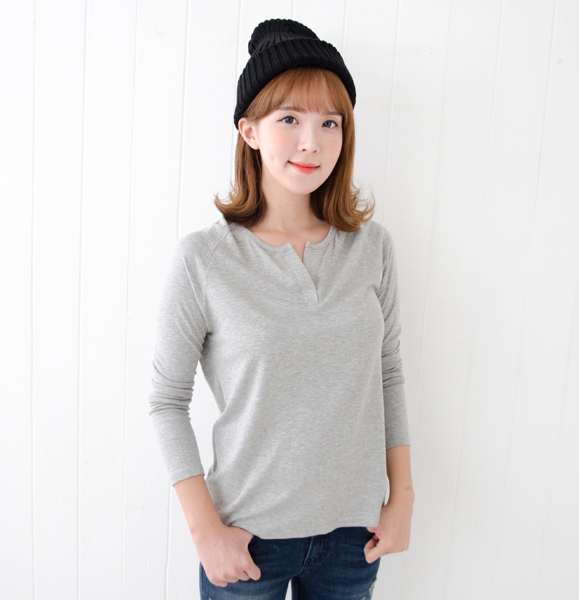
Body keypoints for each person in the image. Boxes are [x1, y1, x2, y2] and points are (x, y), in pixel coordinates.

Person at [148, 17, 415, 600]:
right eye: (289, 119)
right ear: (249, 130)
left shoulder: (372, 249)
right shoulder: (204, 259)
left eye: (329, 122)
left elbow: (387, 371)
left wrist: (403, 499)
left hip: (355, 537)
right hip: (248, 541)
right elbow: (166, 400)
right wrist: (206, 533)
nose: (311, 142)